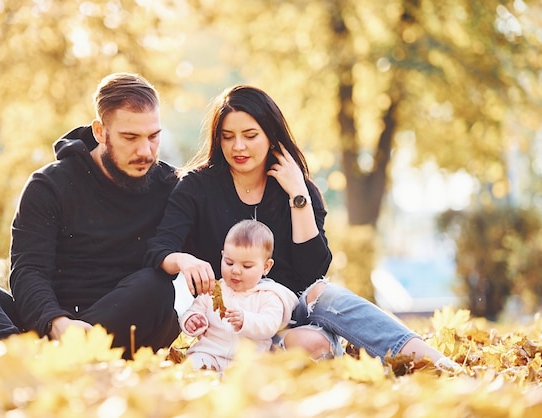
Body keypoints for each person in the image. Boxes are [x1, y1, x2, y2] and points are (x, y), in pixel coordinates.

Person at [145, 84, 460, 370]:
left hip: (286, 311)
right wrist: (185, 261)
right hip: (230, 318)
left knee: (322, 302)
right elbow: (161, 247)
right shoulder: (197, 187)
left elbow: (312, 273)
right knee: (310, 345)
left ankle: (431, 361)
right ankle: (262, 365)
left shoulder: (297, 189)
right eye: (228, 137)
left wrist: (298, 195)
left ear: (271, 136)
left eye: (250, 135)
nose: (238, 146)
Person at [0, 72, 180, 359]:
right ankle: (21, 358)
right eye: (130, 137)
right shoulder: (49, 186)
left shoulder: (169, 187)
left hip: (119, 327)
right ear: (99, 132)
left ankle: (55, 358)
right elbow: (28, 270)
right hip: (51, 323)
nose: (145, 151)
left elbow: (223, 246)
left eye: (153, 136)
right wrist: (56, 322)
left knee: (156, 287)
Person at [180, 219, 298, 371]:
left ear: (266, 267)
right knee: (194, 366)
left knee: (258, 375)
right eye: (229, 262)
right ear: (222, 256)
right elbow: (195, 309)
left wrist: (246, 320)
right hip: (209, 353)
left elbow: (270, 324)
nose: (235, 270)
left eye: (247, 266)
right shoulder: (214, 291)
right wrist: (192, 320)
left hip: (250, 359)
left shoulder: (269, 295)